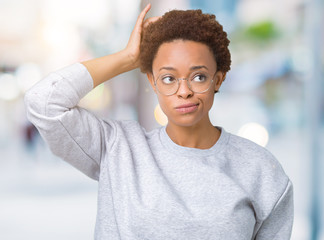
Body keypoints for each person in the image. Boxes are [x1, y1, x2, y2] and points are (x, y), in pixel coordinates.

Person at [25, 4, 293, 240]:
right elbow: (43, 102)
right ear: (153, 82)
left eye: (198, 77)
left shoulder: (261, 171)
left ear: (218, 80)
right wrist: (127, 58)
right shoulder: (118, 149)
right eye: (168, 78)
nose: (184, 91)